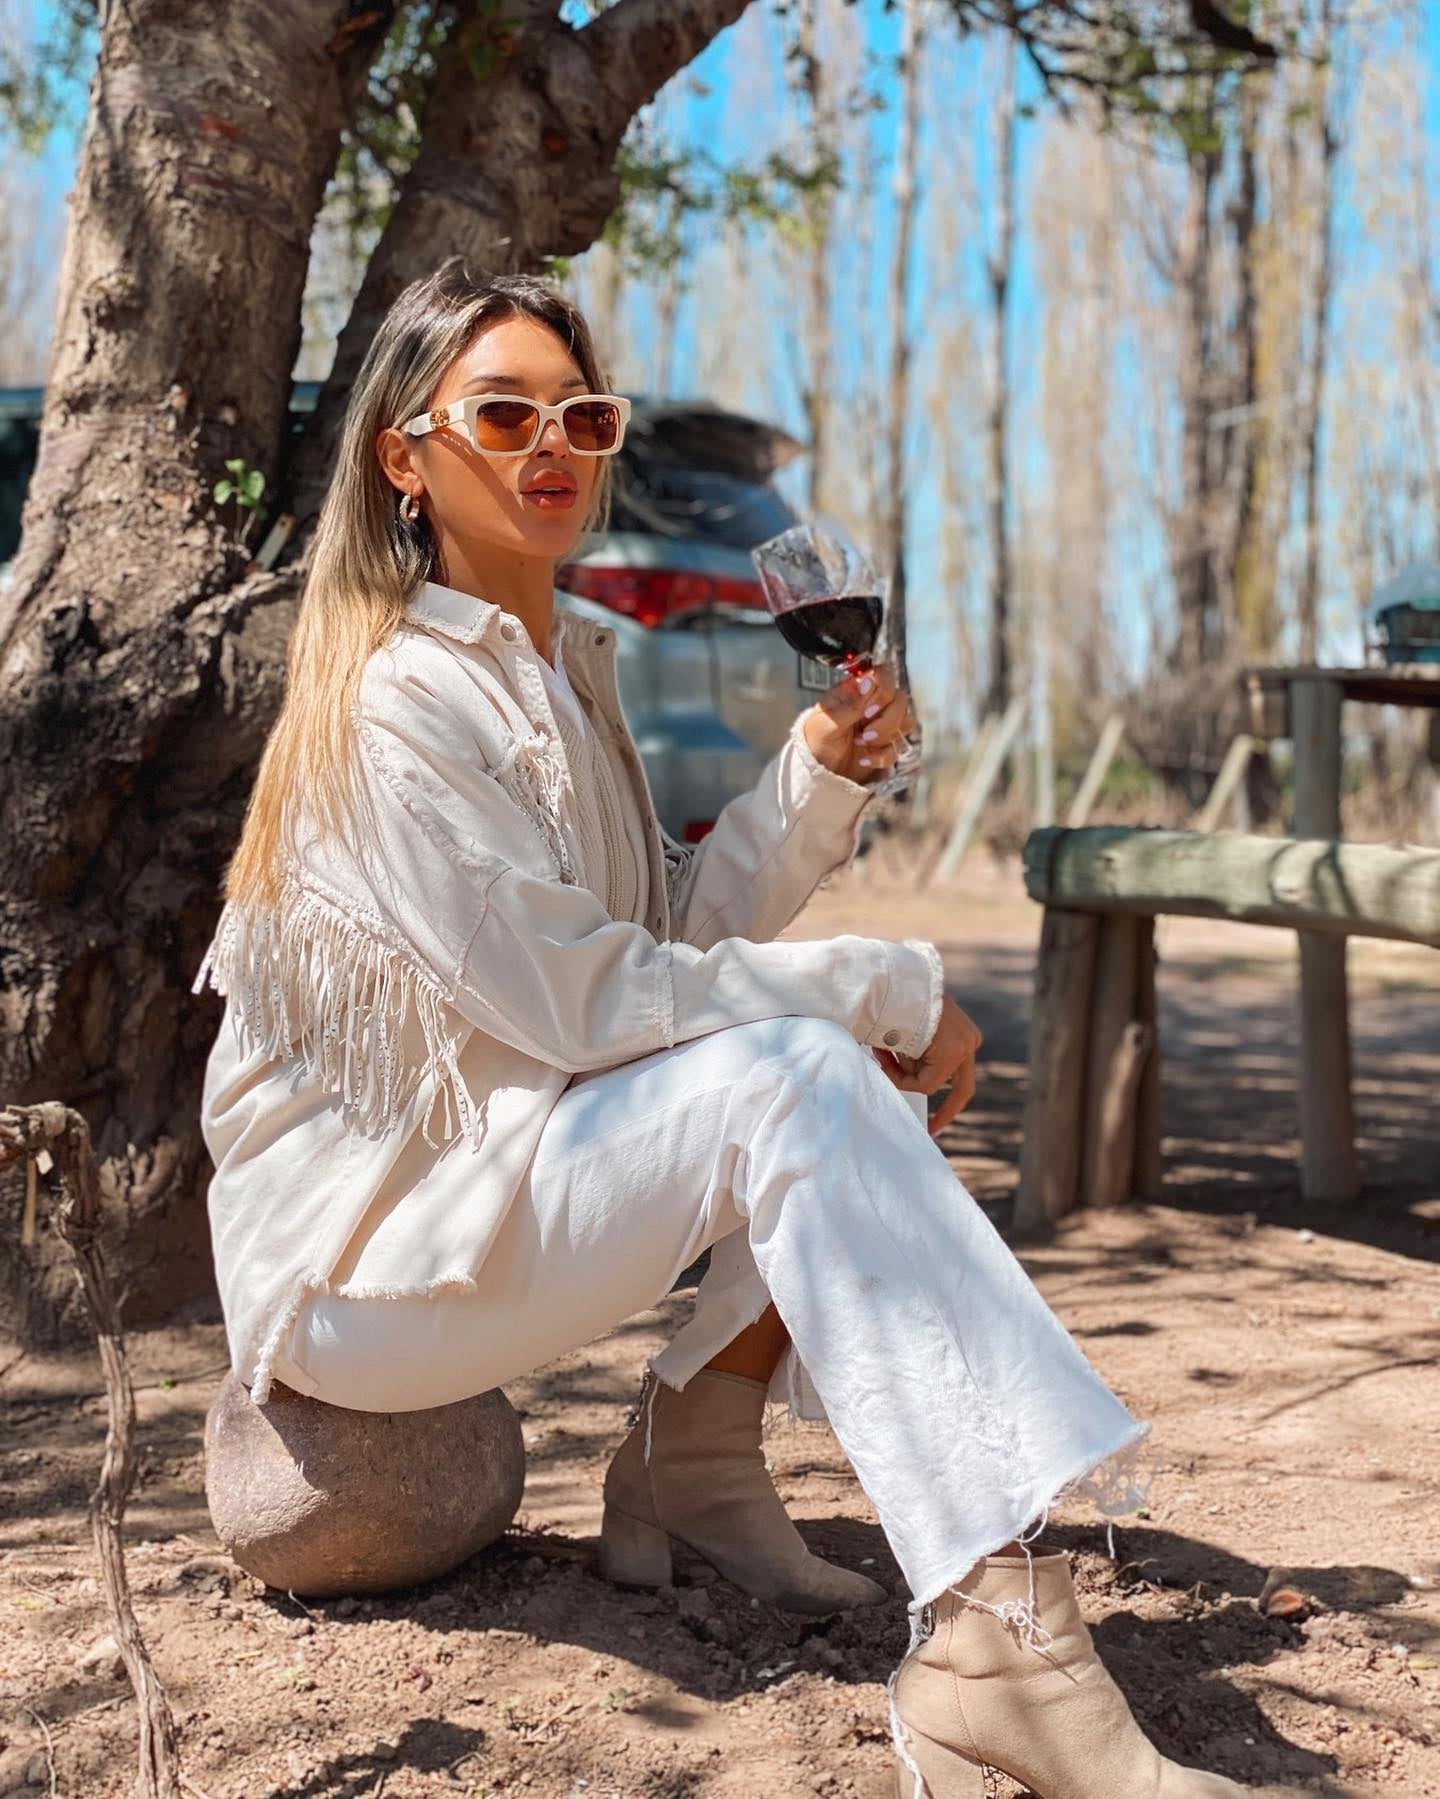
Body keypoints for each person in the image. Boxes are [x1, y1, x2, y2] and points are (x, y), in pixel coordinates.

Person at [192, 257, 1245, 1797]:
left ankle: (689, 1467)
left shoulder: (559, 670)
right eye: (502, 412)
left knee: (816, 1061)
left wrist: (814, 778)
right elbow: (588, 1005)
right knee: (807, 1064)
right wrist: (886, 978)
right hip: (362, 1268)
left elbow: (666, 946)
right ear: (404, 457)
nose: (553, 444)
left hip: (496, 1179)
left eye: (583, 413)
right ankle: (999, 1650)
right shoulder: (387, 702)